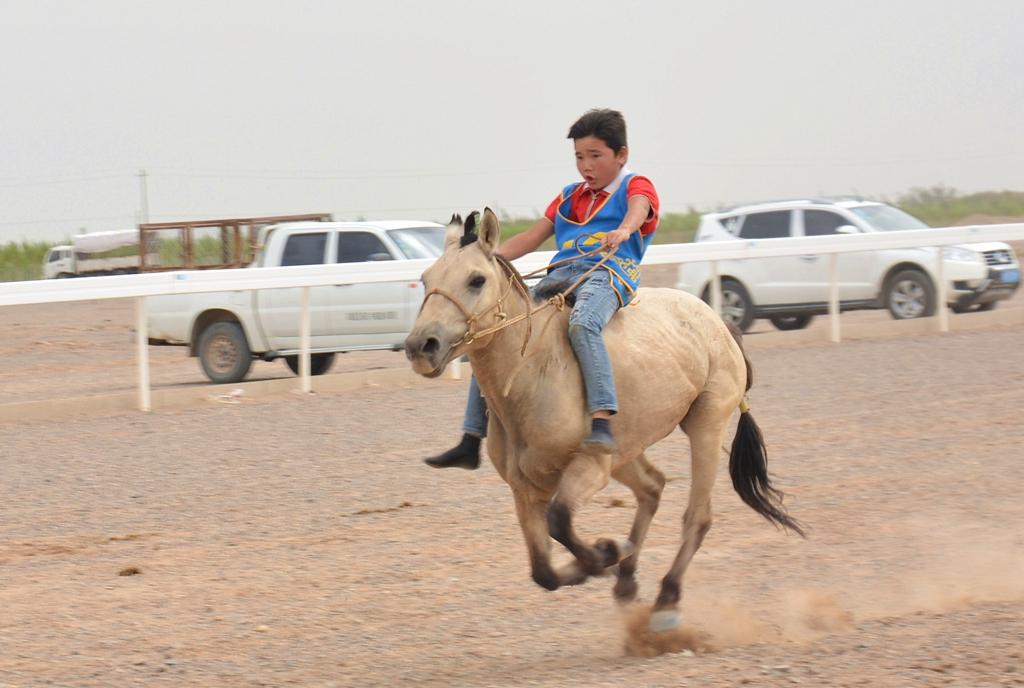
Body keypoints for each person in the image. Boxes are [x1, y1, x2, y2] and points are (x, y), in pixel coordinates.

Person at [426, 108, 660, 469]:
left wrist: (626, 229)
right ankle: (471, 438)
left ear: (621, 155)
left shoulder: (635, 186)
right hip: (561, 273)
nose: (586, 165)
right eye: (580, 157)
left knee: (583, 323)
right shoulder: (569, 196)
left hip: (609, 272)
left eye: (595, 156)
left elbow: (639, 208)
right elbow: (532, 238)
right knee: (492, 329)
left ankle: (601, 421)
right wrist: (482, 258)